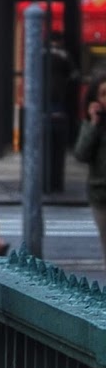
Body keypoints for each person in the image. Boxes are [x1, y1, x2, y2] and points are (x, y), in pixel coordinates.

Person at [72, 74, 106, 264]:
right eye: (103, 94)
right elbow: (81, 154)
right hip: (101, 196)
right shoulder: (93, 125)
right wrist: (93, 124)